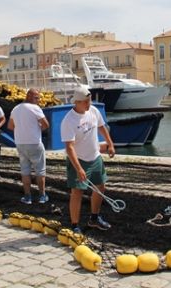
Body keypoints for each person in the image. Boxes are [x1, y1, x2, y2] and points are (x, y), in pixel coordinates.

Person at [61, 86, 115, 233]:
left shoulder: (93, 111)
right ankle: (74, 225)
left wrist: (110, 144)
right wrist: (79, 168)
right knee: (77, 192)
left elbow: (102, 127)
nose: (88, 104)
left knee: (100, 186)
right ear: (77, 102)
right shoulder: (69, 121)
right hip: (79, 159)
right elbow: (69, 148)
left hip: (95, 157)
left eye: (89, 100)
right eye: (85, 101)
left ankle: (94, 218)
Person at [8, 88, 50, 204]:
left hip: (20, 143)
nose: (38, 100)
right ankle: (42, 195)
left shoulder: (15, 109)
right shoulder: (35, 108)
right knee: (40, 170)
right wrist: (36, 129)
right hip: (34, 142)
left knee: (25, 170)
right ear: (30, 96)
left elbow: (10, 126)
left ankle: (27, 196)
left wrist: (22, 129)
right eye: (37, 98)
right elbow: (46, 124)